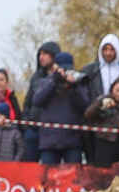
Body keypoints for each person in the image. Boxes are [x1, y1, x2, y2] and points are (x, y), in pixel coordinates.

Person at [24, 40, 85, 168]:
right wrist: (55, 80)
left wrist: (72, 88)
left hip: (72, 140)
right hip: (49, 141)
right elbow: (37, 100)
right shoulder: (46, 81)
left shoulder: (77, 84)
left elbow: (83, 107)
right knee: (48, 180)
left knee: (73, 180)